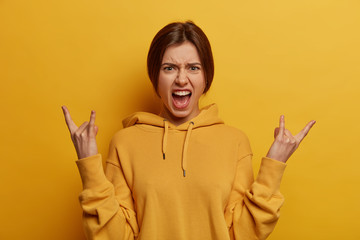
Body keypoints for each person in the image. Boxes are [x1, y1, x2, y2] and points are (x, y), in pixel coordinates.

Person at [62, 21, 315, 240]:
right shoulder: (124, 143)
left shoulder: (235, 142)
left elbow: (243, 233)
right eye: (169, 68)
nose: (181, 79)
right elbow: (113, 236)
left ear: (206, 78)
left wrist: (275, 165)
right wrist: (90, 168)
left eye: (193, 68)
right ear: (155, 78)